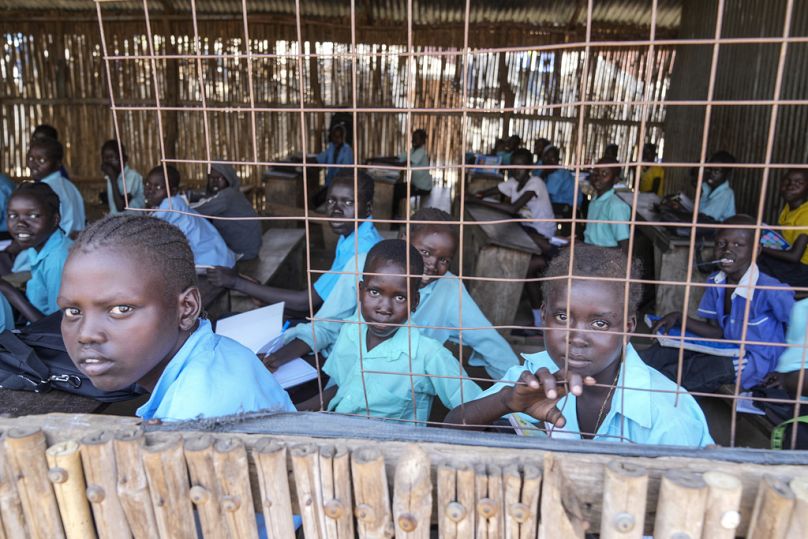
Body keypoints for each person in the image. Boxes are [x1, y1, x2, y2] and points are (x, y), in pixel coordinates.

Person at [443, 244, 714, 447]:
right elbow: (447, 433)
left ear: (628, 328)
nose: (576, 337)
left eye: (600, 324)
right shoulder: (535, 376)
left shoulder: (666, 414)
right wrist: (505, 401)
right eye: (562, 317)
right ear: (544, 315)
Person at [58, 214, 294, 420]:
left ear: (187, 308)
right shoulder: (218, 352)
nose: (86, 334)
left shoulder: (192, 419)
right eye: (73, 311)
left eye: (121, 309)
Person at [266, 208, 519, 380]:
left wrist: (520, 385)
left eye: (444, 259)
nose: (432, 264)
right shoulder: (361, 264)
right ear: (404, 238)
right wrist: (279, 357)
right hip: (345, 372)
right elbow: (326, 326)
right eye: (425, 252)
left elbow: (491, 343)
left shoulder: (450, 289)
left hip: (404, 388)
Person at [297, 239, 482, 423]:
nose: (384, 308)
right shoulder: (351, 329)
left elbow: (473, 404)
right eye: (375, 292)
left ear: (415, 302)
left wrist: (505, 400)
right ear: (361, 291)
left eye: (400, 297)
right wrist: (298, 410)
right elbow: (344, 385)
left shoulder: (429, 355)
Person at [641, 215, 794, 392]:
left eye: (738, 245)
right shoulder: (716, 282)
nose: (728, 250)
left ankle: (646, 405)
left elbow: (803, 331)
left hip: (756, 359)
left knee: (685, 374)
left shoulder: (771, 290)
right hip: (725, 347)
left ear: (756, 250)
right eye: (721, 244)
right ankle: (619, 385)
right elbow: (719, 332)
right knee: (659, 354)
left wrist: (788, 373)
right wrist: (679, 318)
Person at [207, 172, 382, 314]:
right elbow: (323, 299)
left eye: (348, 202)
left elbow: (306, 302)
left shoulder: (360, 249)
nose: (336, 210)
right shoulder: (351, 235)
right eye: (331, 201)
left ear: (367, 208)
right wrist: (262, 294)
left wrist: (236, 283)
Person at [467, 148, 557, 331]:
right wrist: (479, 194)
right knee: (520, 265)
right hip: (526, 232)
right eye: (514, 165)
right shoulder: (514, 183)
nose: (517, 169)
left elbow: (513, 209)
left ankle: (535, 320)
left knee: (522, 268)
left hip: (542, 236)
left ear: (530, 167)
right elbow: (491, 190)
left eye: (522, 166)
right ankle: (537, 321)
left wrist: (475, 201)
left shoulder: (535, 182)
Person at [0, 183, 72, 323]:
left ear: (55, 219)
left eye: (33, 216)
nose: (21, 224)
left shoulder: (57, 260)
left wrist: (9, 290)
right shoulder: (39, 247)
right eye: (13, 215)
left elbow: (58, 328)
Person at [144, 165, 235, 268]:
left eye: (158, 187)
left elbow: (148, 228)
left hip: (212, 261)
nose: (150, 190)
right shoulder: (177, 201)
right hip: (220, 255)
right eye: (148, 184)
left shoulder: (170, 204)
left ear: (173, 191)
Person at [191, 161, 262, 261]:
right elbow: (207, 200)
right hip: (250, 248)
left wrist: (179, 204)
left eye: (220, 178)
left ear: (229, 179)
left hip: (242, 252)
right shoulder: (233, 194)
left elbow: (197, 210)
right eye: (211, 178)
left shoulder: (227, 196)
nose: (215, 181)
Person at [757, 169, 808, 288]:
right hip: (793, 263)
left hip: (803, 270)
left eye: (798, 183)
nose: (790, 186)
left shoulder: (805, 215)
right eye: (787, 182)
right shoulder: (789, 207)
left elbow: (794, 256)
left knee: (755, 265)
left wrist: (760, 248)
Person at [26, 136, 85, 237]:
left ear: (57, 163)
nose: (33, 164)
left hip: (57, 248)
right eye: (30, 158)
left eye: (41, 160)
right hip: (76, 246)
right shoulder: (70, 186)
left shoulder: (43, 190)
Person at [583, 157, 631, 252]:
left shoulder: (615, 206)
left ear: (615, 180)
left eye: (604, 174)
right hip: (590, 256)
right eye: (595, 172)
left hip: (606, 263)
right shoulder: (594, 201)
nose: (597, 177)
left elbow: (625, 249)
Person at [392, 129, 433, 217]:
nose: (413, 140)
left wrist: (390, 163)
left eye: (416, 138)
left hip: (422, 188)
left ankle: (394, 217)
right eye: (413, 138)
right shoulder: (413, 150)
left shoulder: (421, 152)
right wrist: (390, 160)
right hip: (416, 185)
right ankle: (395, 216)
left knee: (396, 192)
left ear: (422, 141)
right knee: (396, 188)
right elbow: (400, 158)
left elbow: (407, 163)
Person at [100, 140, 145, 215]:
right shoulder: (112, 177)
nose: (108, 163)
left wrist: (112, 178)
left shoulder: (132, 176)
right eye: (105, 158)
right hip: (118, 221)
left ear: (124, 159)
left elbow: (121, 207)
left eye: (111, 157)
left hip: (134, 221)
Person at [539, 145, 582, 211]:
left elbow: (543, 195)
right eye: (546, 157)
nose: (549, 161)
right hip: (565, 205)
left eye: (552, 158)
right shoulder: (553, 172)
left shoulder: (558, 174)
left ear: (558, 159)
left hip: (569, 209)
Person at [315, 123, 353, 188]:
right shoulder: (331, 147)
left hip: (342, 184)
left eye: (339, 137)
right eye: (334, 136)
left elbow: (347, 169)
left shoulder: (347, 150)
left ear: (343, 137)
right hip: (330, 183)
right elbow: (320, 158)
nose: (336, 139)